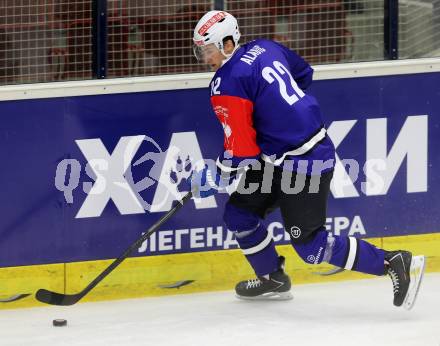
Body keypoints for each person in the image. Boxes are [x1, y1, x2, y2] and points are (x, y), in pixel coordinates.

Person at [190, 10, 425, 309]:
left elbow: (242, 150)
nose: (204, 57)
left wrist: (217, 174)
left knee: (311, 247)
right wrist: (277, 115)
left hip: (305, 162)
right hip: (282, 156)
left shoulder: (226, 83)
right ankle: (271, 278)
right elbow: (304, 74)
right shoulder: (266, 47)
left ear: (226, 43)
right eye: (200, 50)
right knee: (239, 214)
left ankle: (393, 262)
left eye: (208, 49)